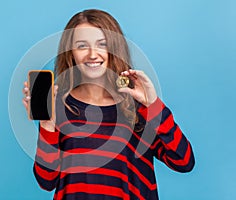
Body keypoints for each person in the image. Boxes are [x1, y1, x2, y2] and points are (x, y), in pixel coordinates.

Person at [22, 9, 194, 200]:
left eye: (102, 44)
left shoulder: (137, 107)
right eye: (81, 46)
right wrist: (47, 124)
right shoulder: (59, 107)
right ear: (70, 53)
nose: (92, 54)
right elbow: (46, 181)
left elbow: (183, 161)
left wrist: (152, 104)